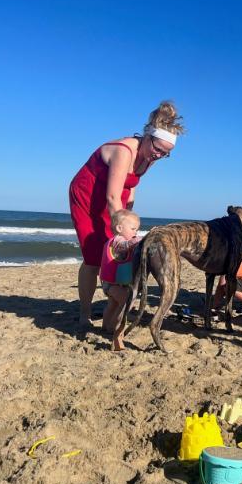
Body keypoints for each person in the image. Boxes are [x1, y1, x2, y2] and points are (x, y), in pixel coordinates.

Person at [69, 101, 184, 326]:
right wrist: (121, 233)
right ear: (147, 136)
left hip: (114, 189)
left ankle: (113, 302)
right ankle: (85, 313)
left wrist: (129, 219)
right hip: (88, 192)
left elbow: (130, 186)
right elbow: (112, 198)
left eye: (165, 153)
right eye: (158, 149)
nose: (159, 155)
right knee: (94, 256)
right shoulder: (124, 151)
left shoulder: (150, 156)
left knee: (123, 252)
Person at [99, 209, 143, 349]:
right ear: (119, 228)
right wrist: (142, 239)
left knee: (112, 305)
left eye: (137, 230)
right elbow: (126, 246)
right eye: (133, 229)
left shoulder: (112, 241)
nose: (135, 233)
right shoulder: (118, 241)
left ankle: (105, 326)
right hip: (113, 284)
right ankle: (114, 328)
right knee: (126, 302)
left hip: (109, 283)